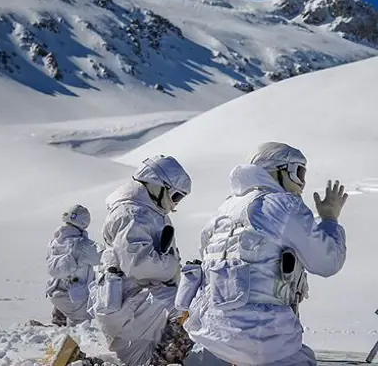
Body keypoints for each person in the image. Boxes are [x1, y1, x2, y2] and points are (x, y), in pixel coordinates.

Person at [178, 141, 349, 366]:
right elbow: (327, 262)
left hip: (212, 333)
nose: (302, 185)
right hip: (263, 337)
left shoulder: (224, 210)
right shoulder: (283, 205)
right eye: (299, 173)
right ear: (279, 171)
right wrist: (329, 219)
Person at [89, 155, 193, 366]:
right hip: (131, 303)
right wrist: (174, 267)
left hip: (140, 300)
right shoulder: (130, 214)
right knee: (190, 308)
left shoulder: (149, 212)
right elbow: (139, 265)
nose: (174, 204)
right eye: (175, 196)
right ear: (158, 186)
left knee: (190, 303)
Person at [45, 204, 101, 327]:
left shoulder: (54, 243)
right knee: (80, 329)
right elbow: (102, 257)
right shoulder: (83, 245)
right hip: (74, 296)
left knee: (63, 326)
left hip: (55, 292)